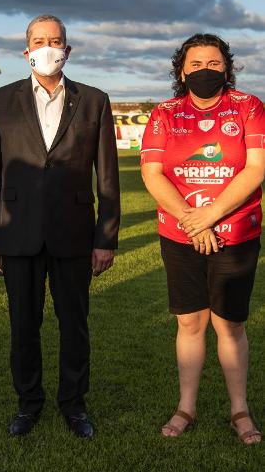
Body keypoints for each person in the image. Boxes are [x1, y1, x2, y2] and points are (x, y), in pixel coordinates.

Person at [0, 14, 120, 439]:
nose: (47, 47)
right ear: (26, 51)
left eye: (55, 40)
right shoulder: (1, 101)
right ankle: (28, 403)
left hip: (75, 233)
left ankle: (74, 405)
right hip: (16, 232)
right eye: (39, 40)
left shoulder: (94, 100)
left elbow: (108, 177)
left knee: (74, 324)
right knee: (23, 325)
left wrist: (106, 238)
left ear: (68, 50)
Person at [141, 33, 265, 445]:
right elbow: (152, 174)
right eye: (195, 65)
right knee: (190, 322)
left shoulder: (248, 108)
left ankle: (239, 410)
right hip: (179, 234)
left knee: (230, 324)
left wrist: (211, 216)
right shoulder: (165, 113)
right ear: (181, 70)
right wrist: (194, 223)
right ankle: (186, 407)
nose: (205, 71)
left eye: (213, 64)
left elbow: (255, 169)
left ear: (226, 67)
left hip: (236, 233)